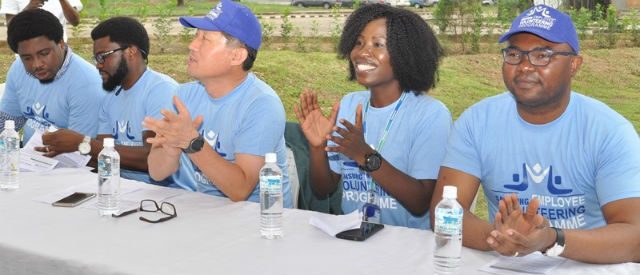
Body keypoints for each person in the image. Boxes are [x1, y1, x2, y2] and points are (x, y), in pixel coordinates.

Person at [431, 5, 640, 263]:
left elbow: (634, 237)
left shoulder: (609, 132)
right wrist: (502, 237)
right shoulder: (477, 121)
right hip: (505, 264)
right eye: (514, 54)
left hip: (584, 264)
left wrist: (550, 239)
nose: (525, 67)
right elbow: (445, 212)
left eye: (542, 55)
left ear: (574, 64)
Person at [294, 4, 451, 229]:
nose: (362, 52)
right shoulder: (350, 104)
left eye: (378, 44)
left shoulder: (430, 114)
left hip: (406, 246)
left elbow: (421, 202)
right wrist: (318, 148)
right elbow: (323, 188)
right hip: (353, 238)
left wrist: (365, 156)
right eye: (358, 42)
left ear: (405, 54)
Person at [143, 0, 292, 207]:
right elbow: (157, 172)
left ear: (237, 56)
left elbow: (240, 189)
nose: (192, 45)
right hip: (208, 213)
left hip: (260, 220)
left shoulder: (262, 105)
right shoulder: (184, 96)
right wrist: (170, 149)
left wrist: (191, 142)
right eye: (196, 36)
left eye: (205, 39)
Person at [39, 17, 178, 184]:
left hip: (163, 196)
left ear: (131, 52)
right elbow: (103, 156)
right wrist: (63, 152)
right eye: (96, 59)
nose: (98, 65)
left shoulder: (161, 91)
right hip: (120, 189)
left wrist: (83, 142)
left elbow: (150, 159)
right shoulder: (110, 98)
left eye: (103, 56)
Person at [1, 9, 103, 144]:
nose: (36, 64)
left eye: (44, 53)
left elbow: (81, 151)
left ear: (61, 43)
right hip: (26, 159)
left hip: (69, 162)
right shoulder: (18, 69)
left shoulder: (88, 85)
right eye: (27, 58)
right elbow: (8, 122)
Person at [0, 0, 83, 42]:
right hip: (26, 51)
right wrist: (28, 9)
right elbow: (11, 27)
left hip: (57, 48)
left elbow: (75, 21)